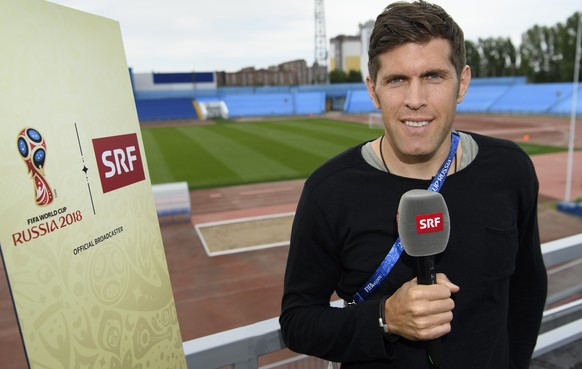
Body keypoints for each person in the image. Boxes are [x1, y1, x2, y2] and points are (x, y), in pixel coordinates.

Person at [279, 1, 548, 368]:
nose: (415, 101)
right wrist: (384, 319)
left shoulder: (510, 168)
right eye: (397, 80)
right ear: (373, 90)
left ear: (462, 82)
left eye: (433, 76)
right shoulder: (329, 191)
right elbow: (297, 322)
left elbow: (528, 288)